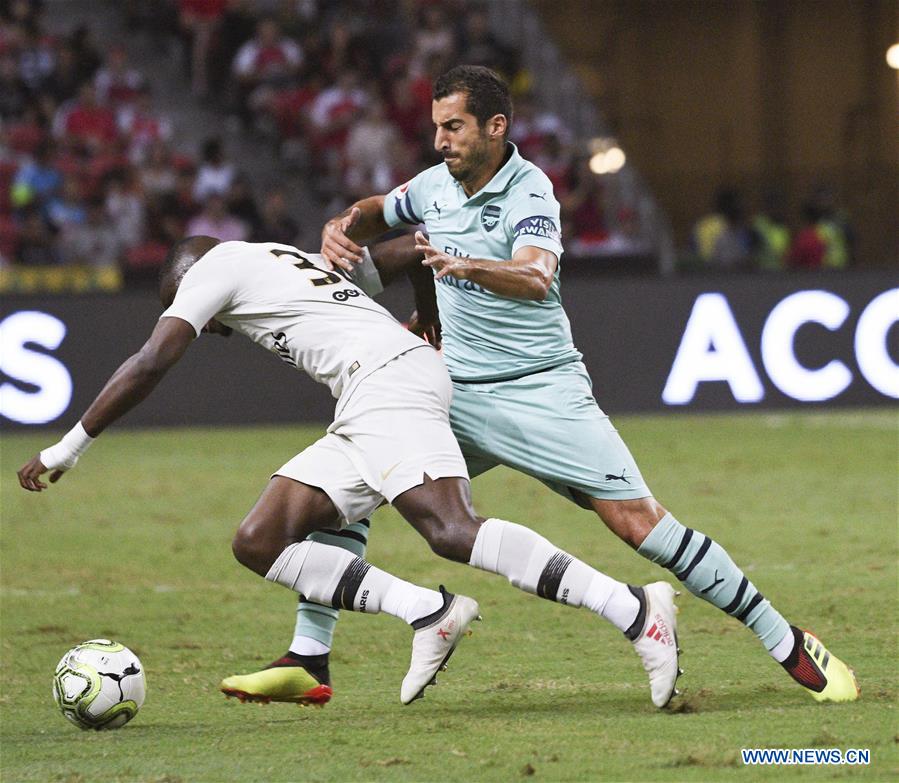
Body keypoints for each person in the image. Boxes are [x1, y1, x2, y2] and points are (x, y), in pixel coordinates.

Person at [234, 65, 858, 706]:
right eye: (437, 128)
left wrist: (466, 265)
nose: (442, 140)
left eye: (455, 127)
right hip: (454, 394)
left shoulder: (530, 192)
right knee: (352, 487)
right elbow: (375, 212)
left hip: (541, 391)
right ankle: (310, 655)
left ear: (495, 127)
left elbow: (535, 277)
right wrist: (342, 226)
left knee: (639, 525)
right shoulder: (433, 187)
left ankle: (784, 639)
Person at [17, 235, 681, 707]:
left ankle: (633, 608)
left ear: (188, 277)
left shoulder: (211, 267)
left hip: (386, 384)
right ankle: (429, 611)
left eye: (195, 310)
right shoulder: (284, 262)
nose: (212, 329)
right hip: (370, 397)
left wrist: (68, 446)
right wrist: (426, 315)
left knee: (451, 530)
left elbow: (150, 361)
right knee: (261, 537)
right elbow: (412, 247)